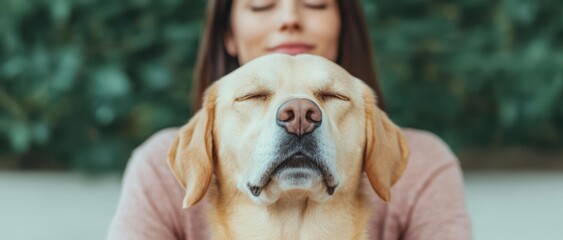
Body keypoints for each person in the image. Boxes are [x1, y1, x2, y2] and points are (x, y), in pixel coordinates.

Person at [107, 0, 472, 239]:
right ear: (228, 33)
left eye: (330, 98)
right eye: (261, 4)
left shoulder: (428, 165)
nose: (289, 19)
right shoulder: (157, 166)